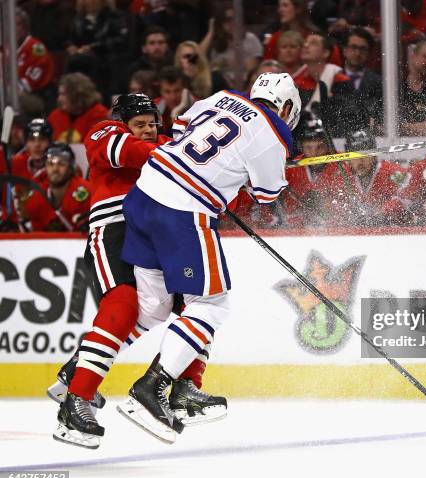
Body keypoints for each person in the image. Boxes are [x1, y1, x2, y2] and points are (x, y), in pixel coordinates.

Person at [115, 73, 301, 443]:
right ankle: (151, 389)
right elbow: (266, 195)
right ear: (285, 105)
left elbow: (182, 128)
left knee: (152, 305)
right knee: (211, 304)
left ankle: (85, 367)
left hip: (144, 192)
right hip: (181, 210)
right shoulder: (275, 133)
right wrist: (270, 175)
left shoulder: (221, 98)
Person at [51, 94, 227, 449]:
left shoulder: (170, 147)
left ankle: (185, 387)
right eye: (140, 124)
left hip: (160, 232)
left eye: (152, 124)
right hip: (114, 228)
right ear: (124, 122)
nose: (148, 130)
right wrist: (180, 158)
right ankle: (77, 400)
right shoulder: (104, 130)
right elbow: (126, 151)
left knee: (196, 305)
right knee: (122, 306)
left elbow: (214, 185)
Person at [315, 129, 408, 226]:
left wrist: (382, 213)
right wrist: (345, 217)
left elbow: (405, 197)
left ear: (374, 156)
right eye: (355, 155)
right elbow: (331, 206)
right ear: (348, 158)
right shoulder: (340, 176)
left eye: (365, 154)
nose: (360, 160)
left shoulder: (392, 172)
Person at [293, 33, 353, 135]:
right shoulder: (298, 83)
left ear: (325, 53)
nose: (306, 45)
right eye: (305, 42)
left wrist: (331, 102)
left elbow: (349, 115)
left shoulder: (340, 81)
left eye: (313, 43)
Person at [22, 143, 91, 232]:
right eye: (50, 164)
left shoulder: (88, 191)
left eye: (61, 164)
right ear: (45, 167)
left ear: (71, 167)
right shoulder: (36, 195)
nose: (55, 169)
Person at [341, 27, 383, 130]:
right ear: (344, 50)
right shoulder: (332, 78)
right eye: (353, 47)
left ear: (369, 53)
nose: (357, 53)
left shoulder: (379, 82)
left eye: (362, 49)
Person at [48, 73, 109, 143]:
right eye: (59, 94)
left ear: (77, 95)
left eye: (63, 94)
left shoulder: (99, 114)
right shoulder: (55, 116)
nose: (59, 99)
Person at [15, 8, 55, 97]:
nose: (13, 28)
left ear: (25, 28)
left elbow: (29, 85)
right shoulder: (7, 49)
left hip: (37, 95)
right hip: (14, 93)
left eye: (18, 24)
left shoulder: (37, 48)